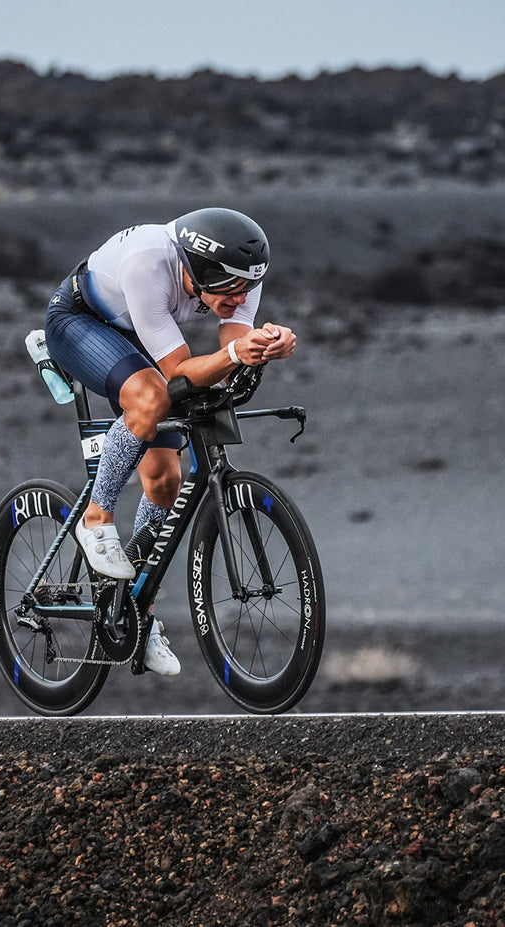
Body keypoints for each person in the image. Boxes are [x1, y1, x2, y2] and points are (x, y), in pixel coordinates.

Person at [43, 207, 297, 675]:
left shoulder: (241, 275)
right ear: (199, 271)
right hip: (81, 323)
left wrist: (262, 348)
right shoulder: (149, 264)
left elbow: (230, 355)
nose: (241, 297)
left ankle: (136, 610)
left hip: (144, 333)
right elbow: (180, 371)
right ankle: (96, 519)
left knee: (164, 481)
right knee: (151, 396)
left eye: (248, 288)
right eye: (231, 289)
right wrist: (236, 352)